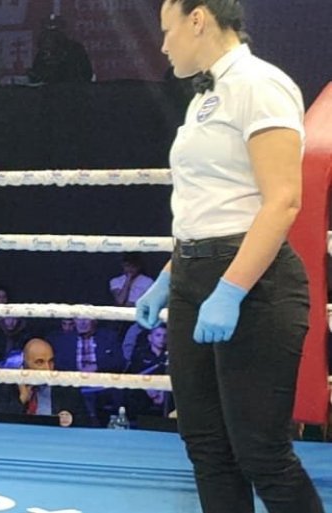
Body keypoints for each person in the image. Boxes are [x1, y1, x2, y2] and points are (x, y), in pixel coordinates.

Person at [136, 2, 324, 512]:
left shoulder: (259, 84)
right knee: (206, 447)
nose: (163, 45)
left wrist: (231, 288)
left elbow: (282, 200)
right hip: (194, 274)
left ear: (198, 19)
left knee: (261, 452)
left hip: (254, 280)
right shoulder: (205, 96)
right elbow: (211, 205)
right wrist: (169, 276)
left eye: (168, 30)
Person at [0, 338, 90, 427]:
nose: (47, 369)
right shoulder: (8, 383)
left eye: (51, 361)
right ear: (25, 364)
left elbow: (84, 423)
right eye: (40, 362)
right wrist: (22, 399)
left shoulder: (66, 385)